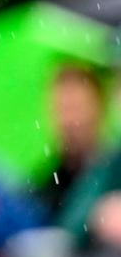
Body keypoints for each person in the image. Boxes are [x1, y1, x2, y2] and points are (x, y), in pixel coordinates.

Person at [40, 62, 108, 215]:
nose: (69, 121)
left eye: (77, 107)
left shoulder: (113, 175)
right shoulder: (44, 189)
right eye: (62, 109)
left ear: (100, 108)